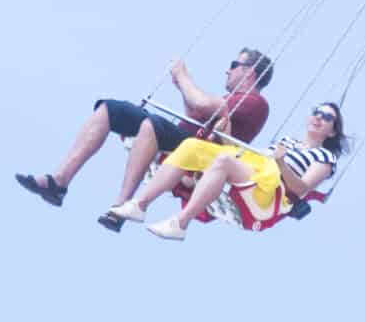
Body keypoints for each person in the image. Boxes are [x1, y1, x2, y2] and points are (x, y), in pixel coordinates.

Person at [15, 51, 273, 218]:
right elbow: (195, 111)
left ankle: (122, 204)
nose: (227, 70)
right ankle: (59, 181)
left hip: (199, 157)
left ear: (249, 71)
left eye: (233, 65)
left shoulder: (255, 102)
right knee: (109, 109)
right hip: (183, 143)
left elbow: (203, 105)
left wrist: (183, 77)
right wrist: (183, 88)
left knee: (153, 124)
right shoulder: (231, 99)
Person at [104, 102, 343, 240]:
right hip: (256, 170)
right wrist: (223, 136)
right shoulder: (287, 140)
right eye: (317, 112)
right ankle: (140, 204)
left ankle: (181, 223)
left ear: (332, 131)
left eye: (327, 117)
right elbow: (244, 159)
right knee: (193, 147)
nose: (319, 118)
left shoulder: (325, 157)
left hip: (273, 195)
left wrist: (280, 163)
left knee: (224, 163)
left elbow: (301, 189)